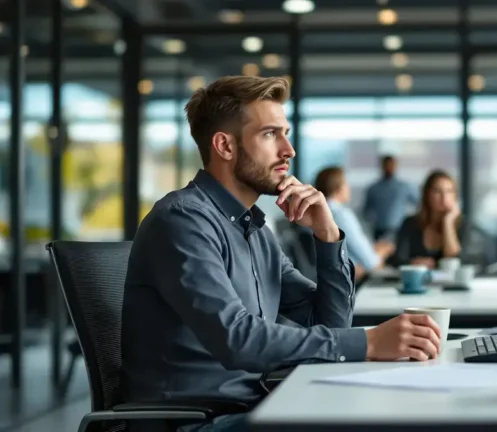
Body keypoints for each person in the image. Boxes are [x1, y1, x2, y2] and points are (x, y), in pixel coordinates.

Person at [121, 76, 442, 432]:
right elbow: (238, 339)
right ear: (225, 146)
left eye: (285, 133)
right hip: (196, 423)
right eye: (270, 134)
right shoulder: (183, 222)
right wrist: (368, 342)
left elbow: (330, 325)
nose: (288, 150)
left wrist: (327, 235)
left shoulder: (255, 230)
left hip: (255, 406)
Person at [314, 166, 394, 279]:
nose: (349, 188)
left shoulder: (313, 213)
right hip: (348, 279)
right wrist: (385, 250)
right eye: (346, 183)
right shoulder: (340, 214)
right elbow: (371, 263)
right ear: (338, 187)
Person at [392, 170, 480, 269]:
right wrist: (413, 262)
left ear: (455, 196)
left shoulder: (463, 224)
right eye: (437, 191)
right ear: (427, 195)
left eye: (449, 191)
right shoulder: (410, 223)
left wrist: (448, 222)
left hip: (451, 282)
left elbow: (454, 259)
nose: (444, 197)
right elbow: (397, 259)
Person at [363, 155, 419, 240]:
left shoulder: (404, 187)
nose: (389, 167)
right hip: (379, 230)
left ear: (396, 166)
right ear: (382, 166)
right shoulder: (373, 188)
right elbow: (366, 212)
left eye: (391, 165)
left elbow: (419, 203)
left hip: (399, 230)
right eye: (386, 165)